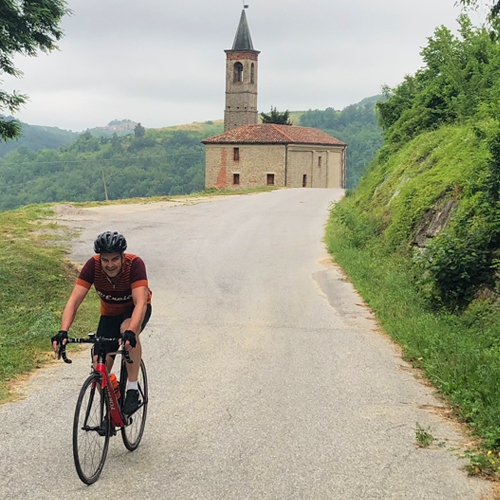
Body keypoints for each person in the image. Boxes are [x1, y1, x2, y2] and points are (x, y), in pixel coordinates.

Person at [52, 230, 152, 416]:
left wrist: (131, 331)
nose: (110, 264)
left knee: (127, 331)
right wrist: (63, 331)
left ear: (122, 257)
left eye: (114, 259)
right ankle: (115, 411)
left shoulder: (135, 265)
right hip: (109, 314)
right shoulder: (93, 266)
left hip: (135, 311)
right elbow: (74, 301)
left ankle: (131, 388)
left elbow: (140, 302)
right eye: (105, 260)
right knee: (100, 369)